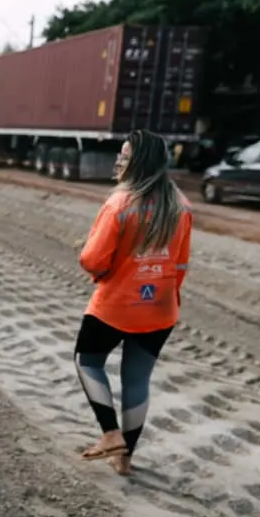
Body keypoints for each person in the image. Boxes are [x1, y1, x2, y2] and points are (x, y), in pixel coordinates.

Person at [75, 129, 192, 477]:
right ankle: (124, 458)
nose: (118, 161)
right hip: (160, 308)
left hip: (115, 304)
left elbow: (92, 260)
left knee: (87, 361)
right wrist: (160, 289)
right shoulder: (181, 206)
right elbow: (181, 264)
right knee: (137, 379)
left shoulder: (120, 204)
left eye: (124, 156)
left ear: (138, 162)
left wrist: (103, 269)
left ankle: (110, 433)